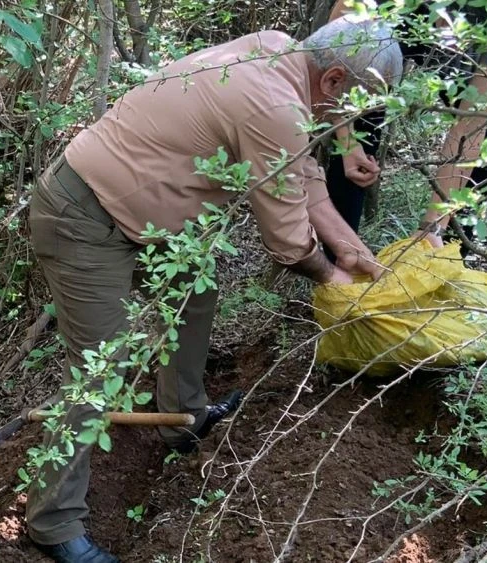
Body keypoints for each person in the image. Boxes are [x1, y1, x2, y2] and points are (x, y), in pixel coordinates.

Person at [23, 16, 402, 562]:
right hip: (83, 215)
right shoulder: (277, 106)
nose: (347, 122)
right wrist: (336, 281)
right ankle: (53, 525)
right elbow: (290, 244)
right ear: (335, 80)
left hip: (145, 212)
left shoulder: (277, 51)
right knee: (100, 366)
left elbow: (302, 173)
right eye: (352, 107)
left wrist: (349, 247)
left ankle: (185, 420)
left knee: (194, 297)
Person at [322, 0, 487, 252]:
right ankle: (342, 266)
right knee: (360, 123)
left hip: (471, 56)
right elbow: (334, 60)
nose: (445, 25)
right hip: (395, 25)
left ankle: (445, 263)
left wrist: (433, 225)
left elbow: (471, 125)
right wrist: (347, 142)